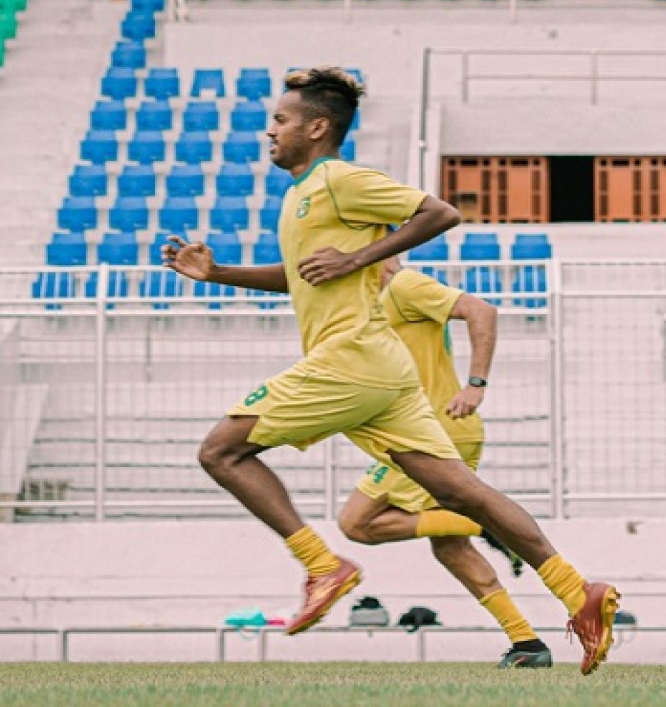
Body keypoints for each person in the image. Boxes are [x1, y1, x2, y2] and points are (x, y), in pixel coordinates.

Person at [163, 66, 618, 675]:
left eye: (280, 120)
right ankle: (575, 589)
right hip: (384, 371)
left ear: (317, 127)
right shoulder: (300, 195)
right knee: (464, 494)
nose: (268, 131)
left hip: (349, 359)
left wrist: (360, 255)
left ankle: (322, 565)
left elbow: (440, 212)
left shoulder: (338, 181)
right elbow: (303, 276)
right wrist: (219, 274)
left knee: (222, 452)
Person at [337, 255, 551, 668]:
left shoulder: (404, 286)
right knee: (450, 549)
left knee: (356, 522)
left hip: (433, 433)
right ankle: (527, 643)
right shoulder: (374, 299)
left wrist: (475, 384)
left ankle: (489, 522)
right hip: (431, 430)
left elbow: (481, 310)